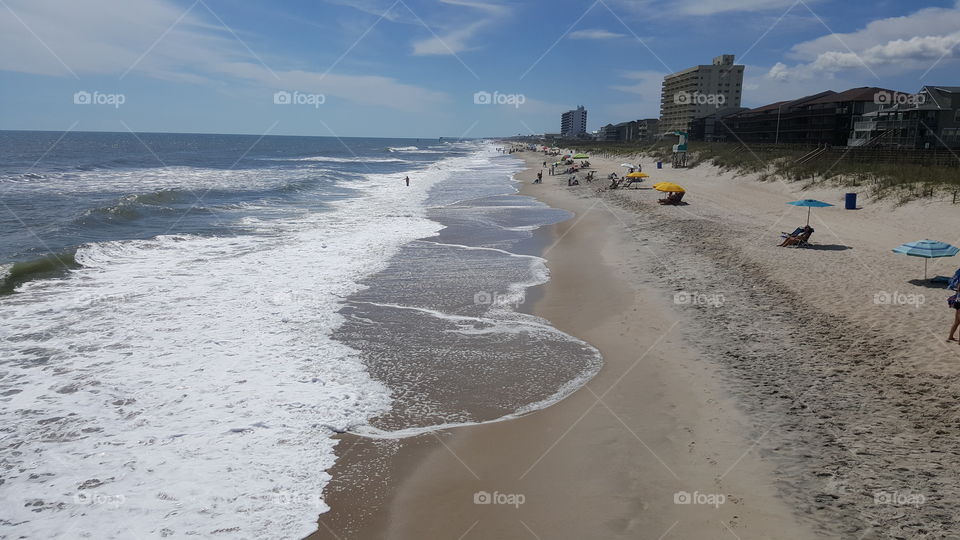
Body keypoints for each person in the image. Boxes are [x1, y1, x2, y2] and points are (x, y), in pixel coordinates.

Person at [948, 268, 960, 342]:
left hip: (957, 301)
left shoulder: (958, 277)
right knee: (957, 322)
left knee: (957, 322)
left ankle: (950, 337)